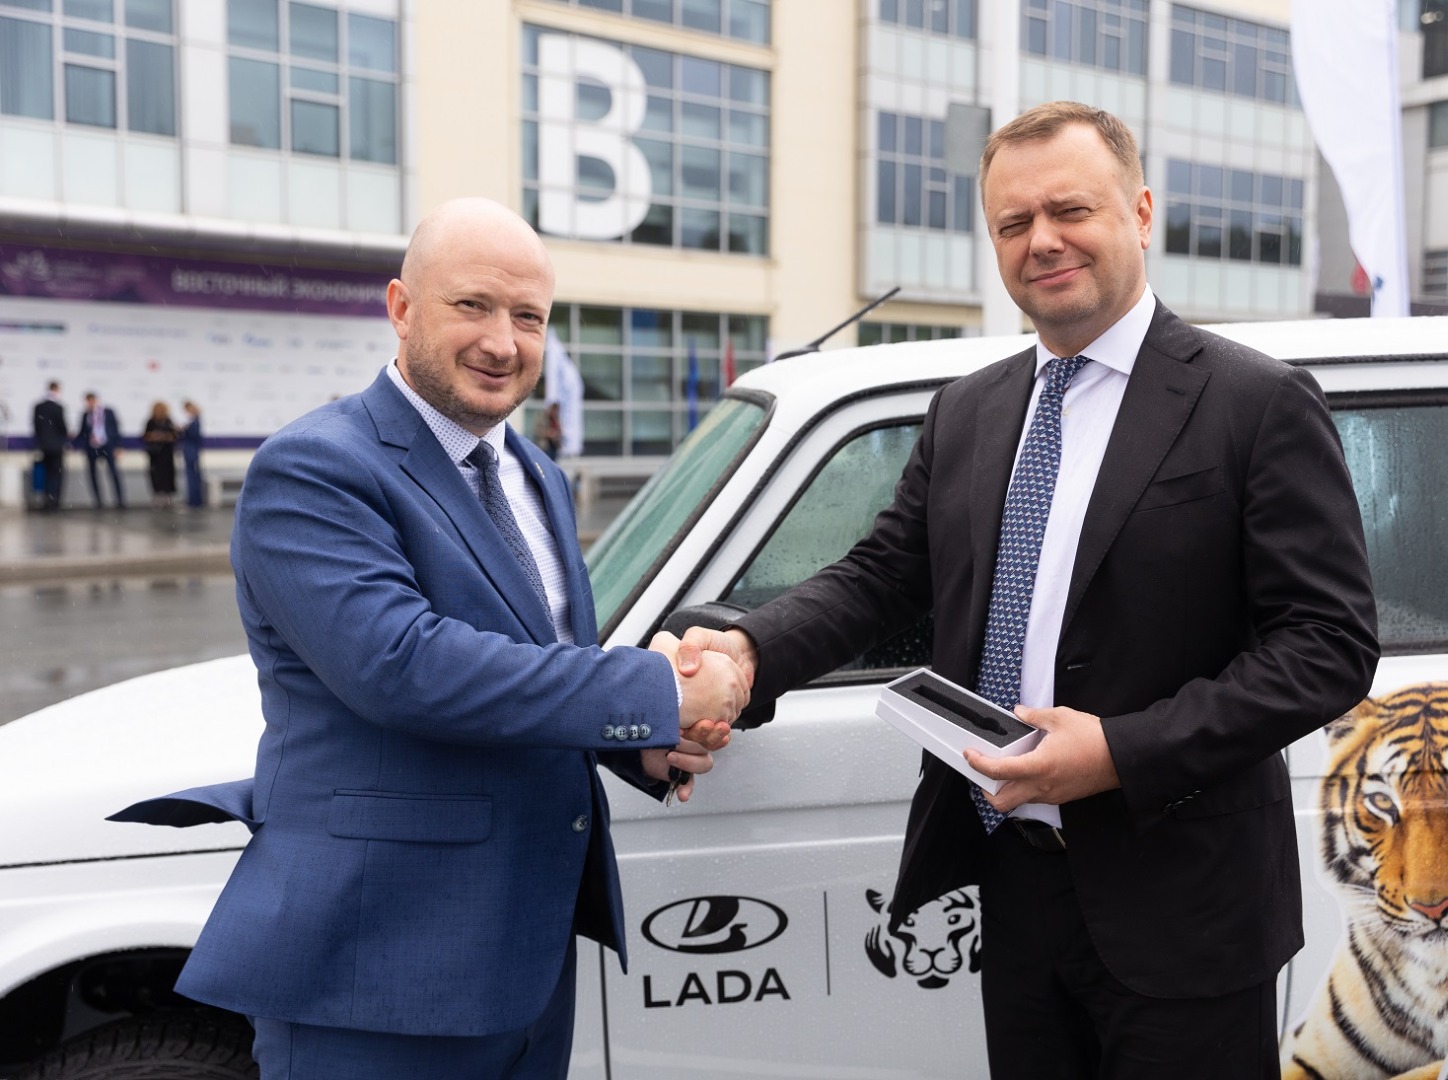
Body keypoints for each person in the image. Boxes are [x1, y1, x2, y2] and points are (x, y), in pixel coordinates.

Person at [676, 102, 1379, 1079]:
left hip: (1183, 907)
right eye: (1013, 222)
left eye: (1069, 210)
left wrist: (1119, 752)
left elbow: (1326, 643)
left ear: (1139, 213)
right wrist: (750, 650)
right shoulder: (968, 409)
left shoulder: (1252, 402)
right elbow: (883, 574)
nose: (1041, 240)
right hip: (1013, 888)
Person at [111, 197, 748, 1080]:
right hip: (375, 964)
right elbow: (401, 665)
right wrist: (656, 690)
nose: (502, 342)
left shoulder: (535, 475)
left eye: (528, 317)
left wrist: (634, 742)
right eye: (472, 306)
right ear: (401, 308)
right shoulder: (316, 465)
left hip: (526, 960)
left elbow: (537, 664)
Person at [76, 391, 125, 509]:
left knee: (113, 473)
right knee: (93, 474)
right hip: (92, 447)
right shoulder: (86, 415)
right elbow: (83, 432)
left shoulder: (108, 412)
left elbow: (115, 429)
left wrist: (117, 446)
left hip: (107, 446)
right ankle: (98, 501)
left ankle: (120, 500)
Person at [31, 380, 68, 512]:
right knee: (56, 475)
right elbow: (62, 428)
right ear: (56, 390)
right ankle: (55, 503)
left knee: (46, 474)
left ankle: (47, 502)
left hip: (44, 446)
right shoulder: (58, 407)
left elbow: (36, 426)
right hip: (56, 447)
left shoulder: (38, 407)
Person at [142, 401, 179, 508]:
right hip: (155, 454)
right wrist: (153, 436)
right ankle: (158, 497)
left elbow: (174, 436)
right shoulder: (151, 422)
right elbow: (145, 436)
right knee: (155, 475)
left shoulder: (168, 421)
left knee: (167, 475)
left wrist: (164, 436)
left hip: (166, 453)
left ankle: (168, 498)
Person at [179, 399, 205, 508]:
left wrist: (183, 430)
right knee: (192, 476)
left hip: (191, 452)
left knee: (192, 476)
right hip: (191, 451)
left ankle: (194, 501)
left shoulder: (194, 422)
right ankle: (193, 500)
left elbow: (193, 436)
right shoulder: (193, 421)